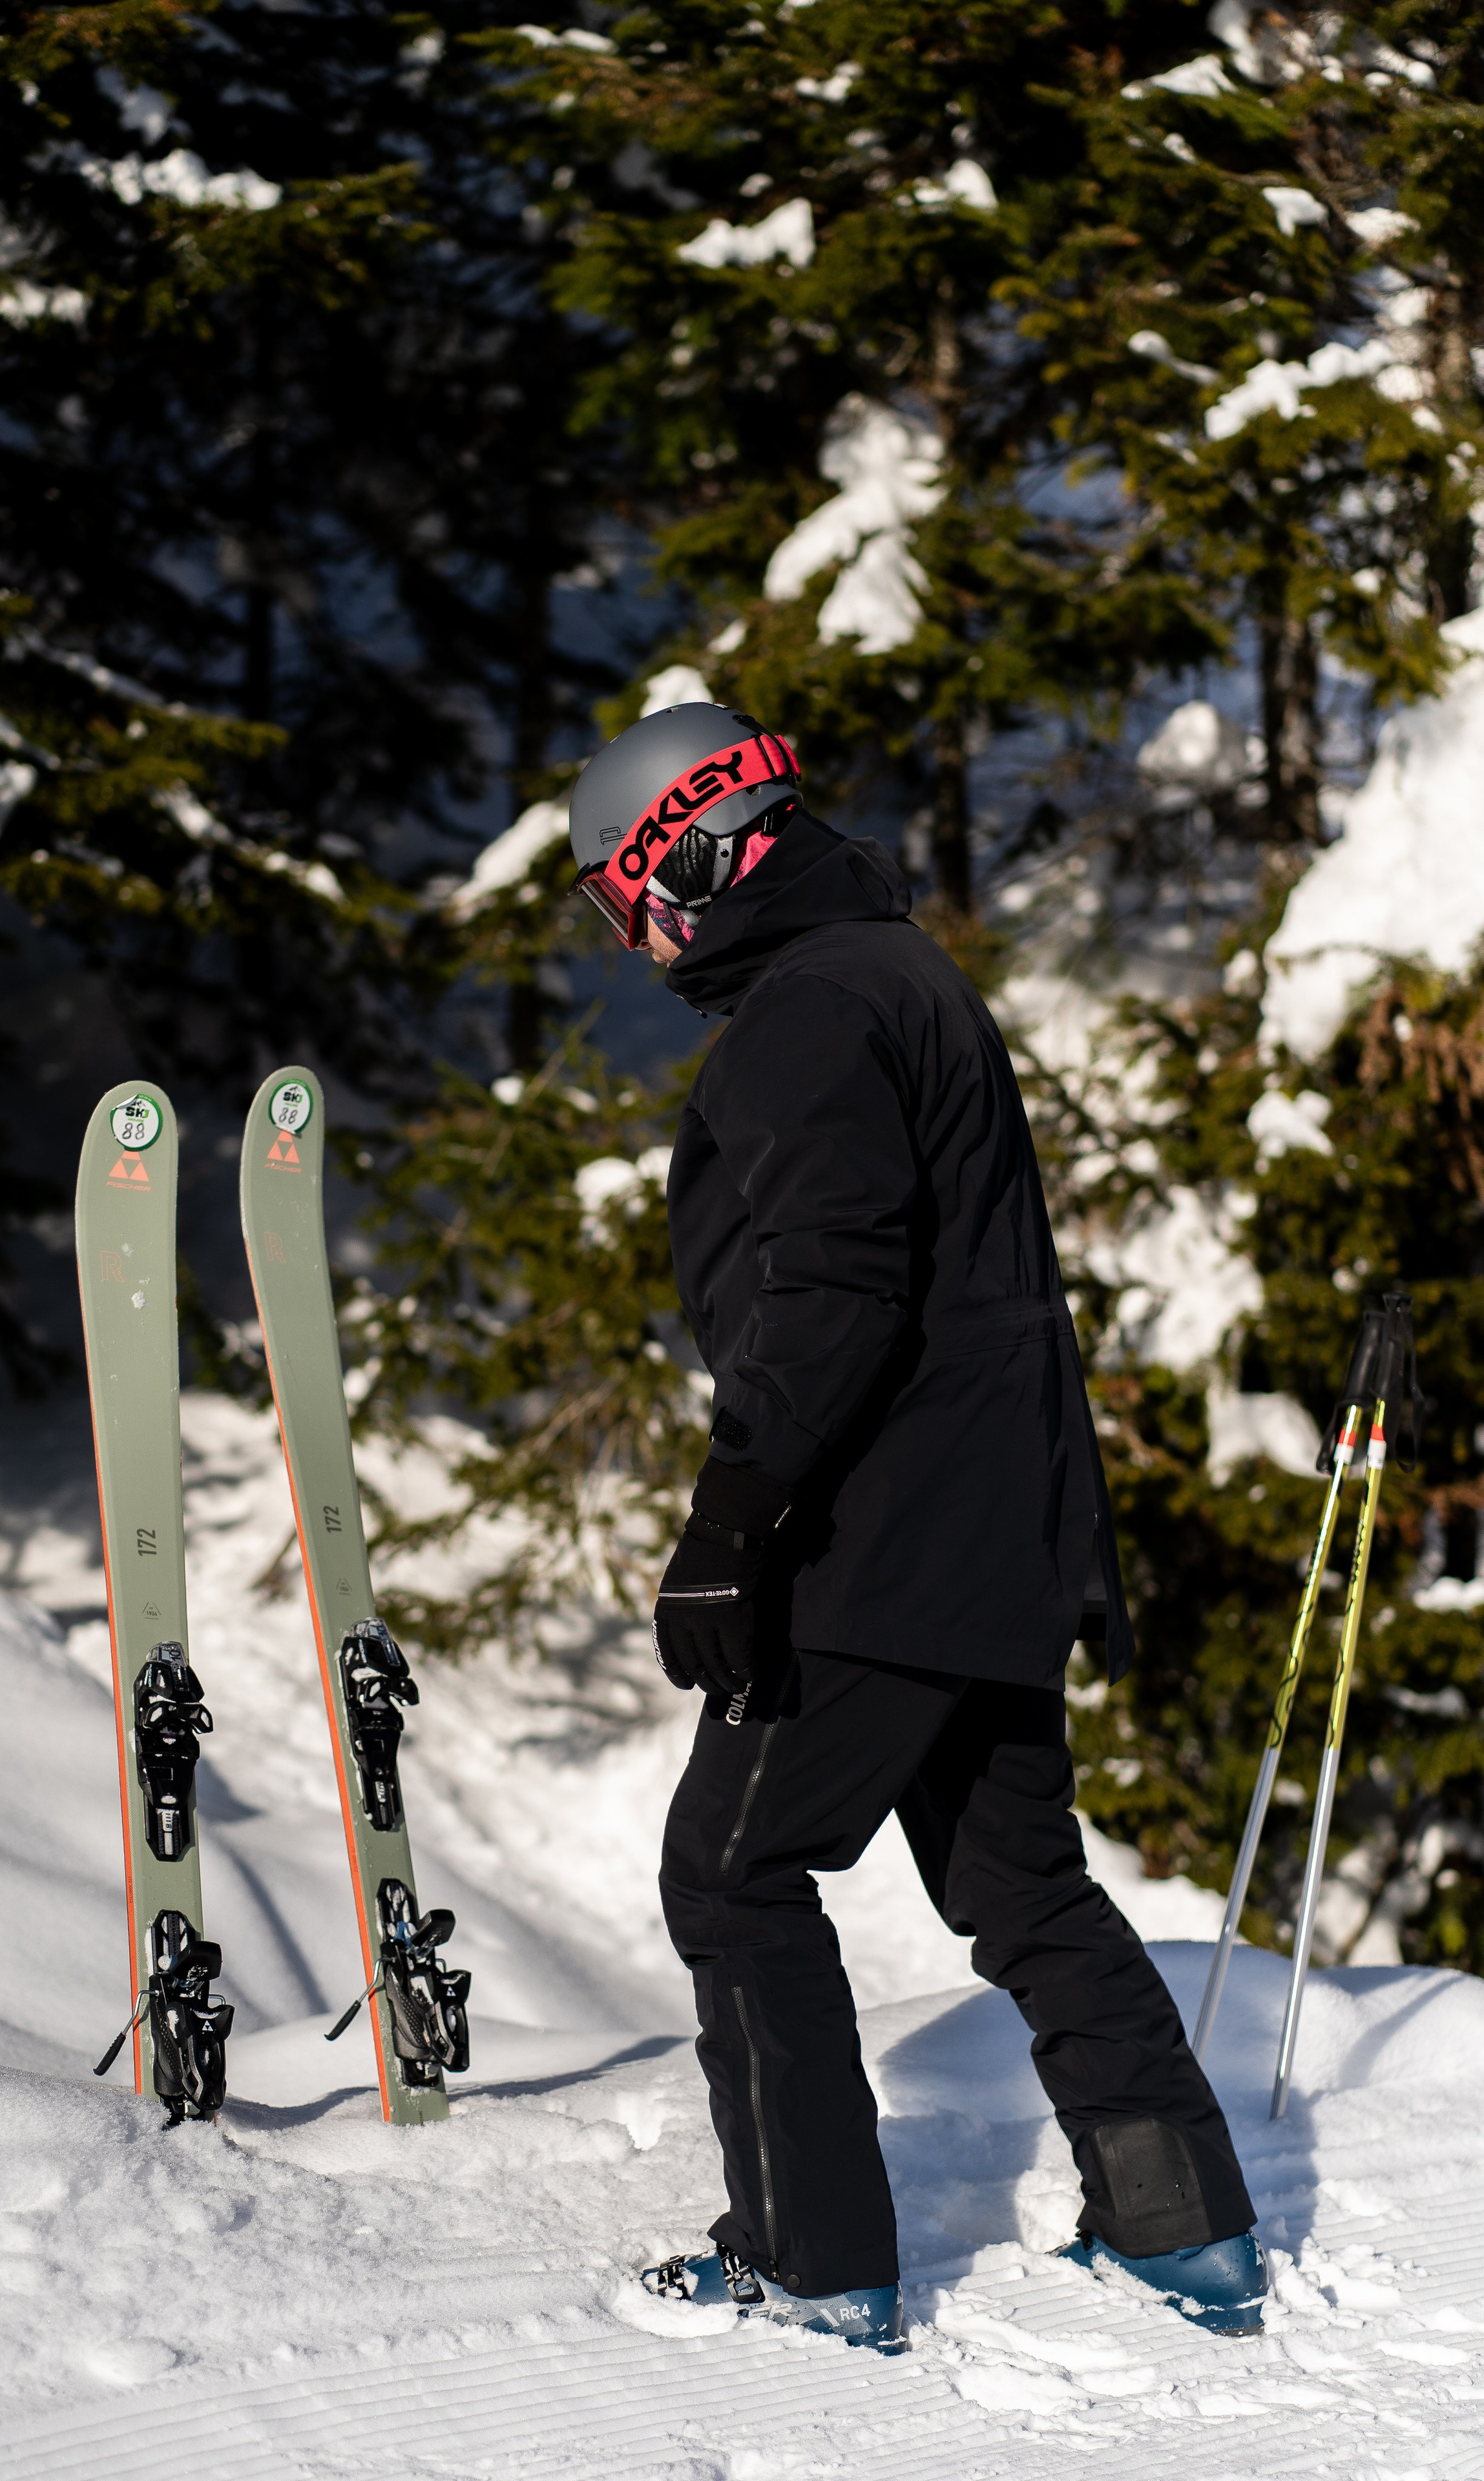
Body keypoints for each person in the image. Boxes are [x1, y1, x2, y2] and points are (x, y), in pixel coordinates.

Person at [569, 702, 1266, 2353]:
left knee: (731, 1877)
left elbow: (835, 1286)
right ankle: (1184, 2236)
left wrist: (737, 1515)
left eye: (628, 891)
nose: (638, 932)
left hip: (875, 1539)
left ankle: (812, 2260)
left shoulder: (810, 1008)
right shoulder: (898, 974)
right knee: (1021, 1881)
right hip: (992, 1529)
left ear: (700, 843)